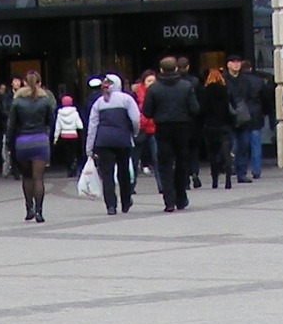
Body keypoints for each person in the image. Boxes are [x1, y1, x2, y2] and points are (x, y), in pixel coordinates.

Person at [144, 58, 201, 211]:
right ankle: (181, 197)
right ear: (176, 69)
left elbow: (147, 111)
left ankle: (169, 200)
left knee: (164, 164)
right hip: (182, 126)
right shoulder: (186, 86)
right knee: (182, 161)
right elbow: (195, 108)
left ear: (161, 70)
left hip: (162, 127)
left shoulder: (154, 88)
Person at [5, 70, 55, 222]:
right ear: (39, 82)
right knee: (38, 178)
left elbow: (11, 126)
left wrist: (9, 144)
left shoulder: (17, 102)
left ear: (24, 83)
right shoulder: (45, 101)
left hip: (23, 141)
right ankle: (39, 211)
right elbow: (51, 122)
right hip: (40, 140)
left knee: (26, 177)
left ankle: (29, 208)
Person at [85, 75, 139, 214]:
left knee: (107, 173)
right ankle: (126, 201)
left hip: (103, 141)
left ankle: (110, 205)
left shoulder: (99, 102)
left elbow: (92, 126)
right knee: (124, 170)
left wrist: (89, 147)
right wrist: (134, 133)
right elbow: (135, 119)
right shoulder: (126, 99)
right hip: (122, 139)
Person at [225, 54, 269, 181]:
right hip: (229, 117)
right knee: (231, 145)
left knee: (243, 145)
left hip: (244, 117)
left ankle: (241, 173)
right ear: (228, 64)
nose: (236, 64)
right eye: (233, 62)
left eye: (238, 62)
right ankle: (229, 169)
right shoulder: (224, 79)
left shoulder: (246, 80)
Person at [197, 67, 232, 190]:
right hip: (224, 125)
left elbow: (202, 110)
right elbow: (229, 109)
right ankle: (228, 180)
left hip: (210, 126)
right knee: (226, 152)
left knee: (212, 154)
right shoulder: (225, 90)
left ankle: (215, 180)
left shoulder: (205, 91)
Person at [51, 88, 83, 173]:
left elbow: (58, 127)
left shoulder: (59, 114)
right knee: (73, 152)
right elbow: (80, 125)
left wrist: (55, 138)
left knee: (67, 153)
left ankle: (69, 168)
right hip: (73, 135)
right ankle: (74, 165)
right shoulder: (75, 113)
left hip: (64, 135)